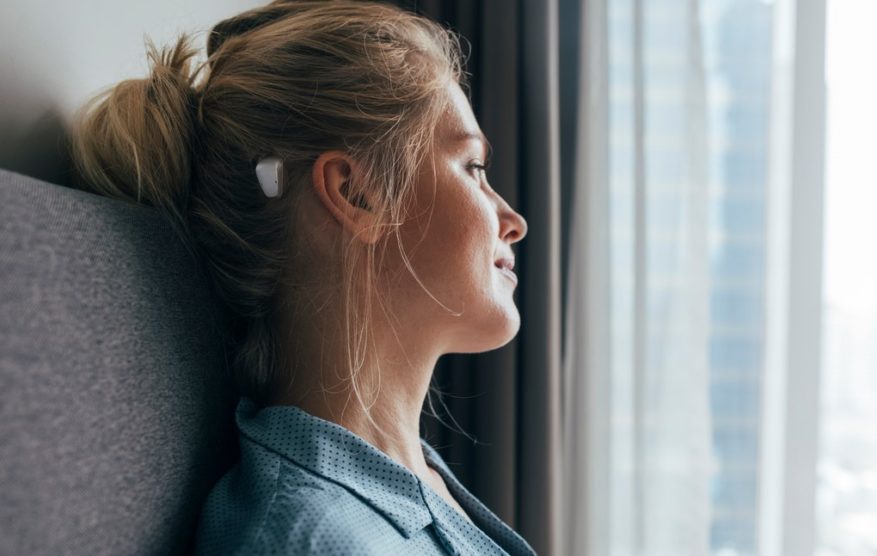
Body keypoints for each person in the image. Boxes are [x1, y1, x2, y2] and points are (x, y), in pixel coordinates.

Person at [69, 1, 534, 554]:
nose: (514, 222)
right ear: (355, 194)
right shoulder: (307, 540)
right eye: (473, 168)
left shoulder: (410, 483)